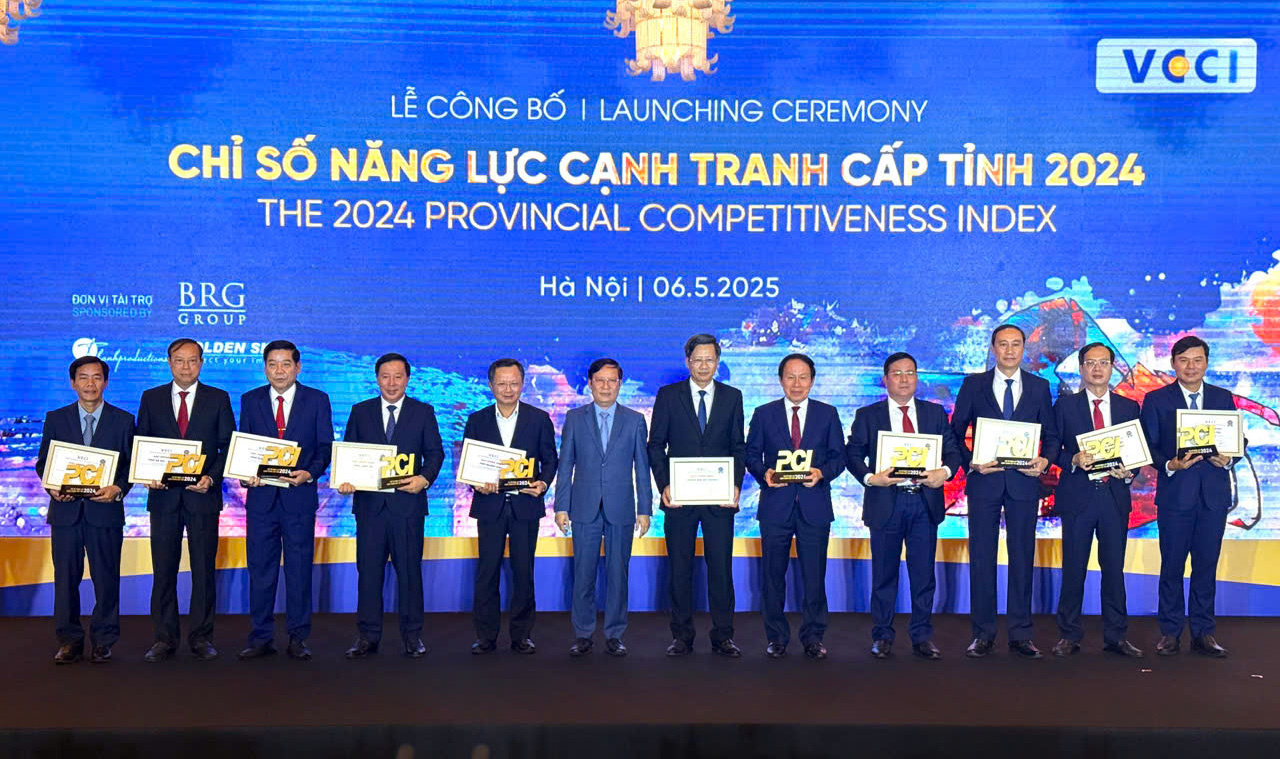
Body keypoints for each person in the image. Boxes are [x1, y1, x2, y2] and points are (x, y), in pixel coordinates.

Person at [951, 324, 1059, 659]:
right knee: (982, 557)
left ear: (1024, 348)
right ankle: (983, 634)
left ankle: (1021, 634)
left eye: (1015, 344)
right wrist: (971, 463)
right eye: (1003, 344)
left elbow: (1052, 436)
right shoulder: (973, 385)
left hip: (1024, 483)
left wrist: (1045, 461)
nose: (1009, 350)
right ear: (993, 348)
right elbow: (955, 432)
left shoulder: (1040, 387)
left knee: (1022, 557)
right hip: (984, 481)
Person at [847, 351, 962, 660]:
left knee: (923, 575)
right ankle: (882, 635)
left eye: (910, 372)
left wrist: (944, 473)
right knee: (884, 575)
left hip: (924, 503)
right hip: (886, 502)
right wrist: (871, 478)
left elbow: (953, 452)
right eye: (896, 373)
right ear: (885, 379)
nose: (904, 379)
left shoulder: (934, 413)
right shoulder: (868, 415)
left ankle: (922, 636)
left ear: (917, 378)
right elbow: (852, 454)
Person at [1140, 335, 1244, 657]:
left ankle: (1203, 632)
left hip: (1213, 498)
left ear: (1207, 363)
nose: (1191, 366)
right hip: (1175, 497)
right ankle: (1170, 632)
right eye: (1184, 360)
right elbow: (1148, 445)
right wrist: (1169, 464)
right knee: (1171, 566)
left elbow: (1238, 439)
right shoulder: (1157, 399)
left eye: (1197, 360)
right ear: (1173, 363)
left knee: (1206, 566)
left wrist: (1230, 458)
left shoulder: (1223, 397)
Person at [338, 353, 444, 659]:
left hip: (408, 507)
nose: (392, 383)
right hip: (370, 508)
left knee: (409, 574)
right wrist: (345, 479)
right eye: (385, 376)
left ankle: (412, 636)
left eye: (398, 376)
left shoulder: (423, 412)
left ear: (407, 379)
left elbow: (435, 453)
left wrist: (424, 478)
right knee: (369, 574)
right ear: (377, 379)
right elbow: (349, 453)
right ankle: (367, 636)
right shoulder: (360, 411)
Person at [136, 338, 235, 662]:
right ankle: (164, 639)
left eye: (192, 360)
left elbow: (227, 446)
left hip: (202, 497)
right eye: (179, 360)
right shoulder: (150, 398)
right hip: (163, 498)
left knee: (204, 570)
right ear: (169, 362)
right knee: (163, 570)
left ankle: (201, 637)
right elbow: (142, 443)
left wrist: (212, 478)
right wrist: (146, 473)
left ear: (201, 363)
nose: (186, 367)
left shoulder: (218, 398)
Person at [648, 333, 746, 657]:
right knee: (680, 569)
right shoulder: (668, 396)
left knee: (721, 570)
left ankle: (723, 636)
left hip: (719, 499)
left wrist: (735, 484)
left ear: (718, 362)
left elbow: (738, 446)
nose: (704, 366)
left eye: (710, 360)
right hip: (679, 499)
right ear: (687, 361)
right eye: (698, 360)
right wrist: (665, 484)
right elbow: (655, 445)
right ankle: (682, 636)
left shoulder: (732, 397)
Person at [237, 340, 333, 661]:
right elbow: (245, 447)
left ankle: (298, 637)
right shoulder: (250, 400)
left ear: (298, 367)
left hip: (299, 499)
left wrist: (310, 473)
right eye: (272, 364)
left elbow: (325, 447)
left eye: (286, 364)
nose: (279, 371)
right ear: (265, 368)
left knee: (299, 570)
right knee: (260, 570)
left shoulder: (317, 400)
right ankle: (260, 637)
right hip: (261, 500)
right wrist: (245, 475)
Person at [745, 353, 845, 659]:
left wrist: (821, 473)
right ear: (780, 380)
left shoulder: (827, 414)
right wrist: (764, 473)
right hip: (776, 505)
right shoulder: (764, 414)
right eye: (791, 377)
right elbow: (751, 455)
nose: (797, 384)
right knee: (772, 576)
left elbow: (839, 457)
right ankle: (776, 637)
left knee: (814, 577)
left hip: (814, 506)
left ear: (812, 381)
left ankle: (813, 637)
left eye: (803, 377)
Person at [35, 356, 134, 664]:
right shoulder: (56, 418)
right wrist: (52, 487)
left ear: (106, 382)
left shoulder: (124, 420)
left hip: (105, 513)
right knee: (65, 580)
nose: (90, 384)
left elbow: (130, 466)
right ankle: (69, 641)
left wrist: (118, 488)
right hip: (66, 513)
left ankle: (104, 640)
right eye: (83, 377)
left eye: (96, 377)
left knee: (107, 579)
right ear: (73, 383)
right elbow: (43, 462)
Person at [1051, 342, 1144, 658]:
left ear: (1112, 368)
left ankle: (1116, 636)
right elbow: (1052, 448)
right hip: (1078, 497)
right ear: (1081, 369)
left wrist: (1129, 472)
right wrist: (1073, 459)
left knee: (1114, 570)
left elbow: (1137, 451)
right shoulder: (1064, 406)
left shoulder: (1129, 407)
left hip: (1114, 498)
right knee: (1074, 568)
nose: (1097, 368)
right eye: (1090, 363)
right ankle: (1069, 635)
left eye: (1103, 362)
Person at [554, 358, 652, 657]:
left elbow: (642, 468)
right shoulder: (574, 418)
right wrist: (561, 506)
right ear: (590, 383)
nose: (606, 386)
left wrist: (644, 509)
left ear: (620, 384)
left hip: (621, 507)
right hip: (583, 507)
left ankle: (614, 634)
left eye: (612, 381)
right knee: (583, 573)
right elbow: (566, 464)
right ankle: (583, 633)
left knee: (618, 574)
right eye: (600, 380)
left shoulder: (635, 420)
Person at [463, 358, 557, 655]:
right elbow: (469, 463)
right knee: (487, 572)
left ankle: (521, 635)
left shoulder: (539, 418)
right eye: (502, 383)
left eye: (514, 383)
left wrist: (543, 484)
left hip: (525, 506)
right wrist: (476, 483)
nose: (508, 389)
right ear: (491, 385)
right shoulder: (477, 420)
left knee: (523, 571)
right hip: (489, 506)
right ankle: (485, 636)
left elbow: (550, 460)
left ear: (522, 384)